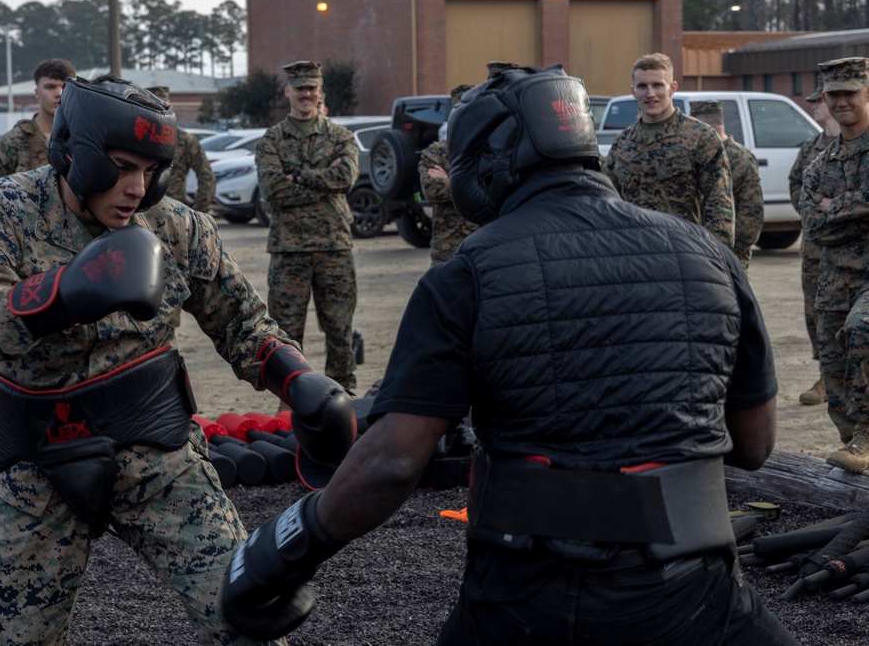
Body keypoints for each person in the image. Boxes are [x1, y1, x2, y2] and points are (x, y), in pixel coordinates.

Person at [220, 65, 798, 646]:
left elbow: (391, 465)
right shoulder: (708, 253)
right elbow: (754, 444)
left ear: (493, 161)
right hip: (698, 588)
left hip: (532, 592)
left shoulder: (468, 272)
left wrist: (280, 554)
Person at [0, 74, 354, 644]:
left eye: (149, 170)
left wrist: (297, 378)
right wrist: (64, 294)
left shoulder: (176, 227)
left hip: (160, 454)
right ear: (74, 152)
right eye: (120, 165)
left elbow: (242, 322)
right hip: (38, 463)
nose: (136, 187)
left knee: (249, 620)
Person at [255, 60, 359, 390]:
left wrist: (297, 176)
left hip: (334, 249)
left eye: (312, 88)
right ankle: (290, 402)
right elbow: (273, 189)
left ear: (320, 92)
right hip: (289, 251)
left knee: (340, 330)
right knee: (285, 335)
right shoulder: (272, 139)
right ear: (288, 91)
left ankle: (344, 397)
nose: (306, 94)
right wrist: (323, 182)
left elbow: (346, 178)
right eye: (300, 88)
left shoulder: (340, 136)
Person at [798, 56, 869, 472]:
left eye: (850, 93)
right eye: (834, 94)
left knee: (863, 330)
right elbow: (816, 229)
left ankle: (863, 438)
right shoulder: (820, 165)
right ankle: (852, 442)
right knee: (834, 366)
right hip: (835, 280)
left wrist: (836, 206)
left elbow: (827, 216)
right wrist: (856, 210)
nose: (841, 101)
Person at [605, 52, 735, 247]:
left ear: (672, 88)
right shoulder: (623, 142)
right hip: (632, 253)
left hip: (683, 253)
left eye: (657, 85)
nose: (650, 94)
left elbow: (719, 204)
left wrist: (716, 256)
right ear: (633, 91)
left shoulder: (700, 137)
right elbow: (608, 201)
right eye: (642, 86)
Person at [788, 84, 840, 406]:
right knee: (816, 313)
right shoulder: (811, 148)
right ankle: (827, 376)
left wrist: (837, 206)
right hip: (815, 247)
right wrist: (812, 208)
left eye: (818, 103)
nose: (813, 108)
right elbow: (796, 184)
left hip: (856, 249)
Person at [0, 58, 76, 185]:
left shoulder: (86, 139)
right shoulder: (9, 146)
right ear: (36, 93)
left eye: (65, 87)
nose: (59, 93)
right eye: (50, 87)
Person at [689, 100, 763, 269]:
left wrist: (729, 251)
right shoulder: (695, 155)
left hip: (729, 257)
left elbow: (751, 216)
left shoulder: (740, 158)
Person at [419, 84, 478, 266]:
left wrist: (450, 181)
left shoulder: (492, 150)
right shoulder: (436, 153)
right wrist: (475, 184)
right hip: (447, 250)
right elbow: (433, 190)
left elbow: (500, 191)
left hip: (484, 247)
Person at [145, 85, 216, 213]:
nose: (159, 112)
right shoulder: (138, 137)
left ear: (170, 107)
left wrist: (199, 211)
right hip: (142, 214)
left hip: (175, 214)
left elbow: (206, 176)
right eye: (154, 107)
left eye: (163, 107)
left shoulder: (185, 140)